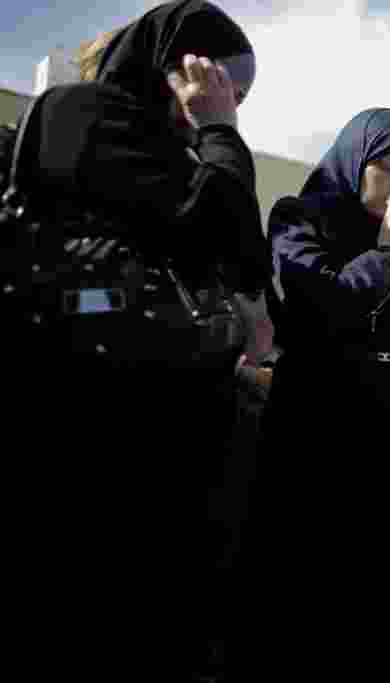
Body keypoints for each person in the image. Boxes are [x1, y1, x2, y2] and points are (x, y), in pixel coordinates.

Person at [0, 0, 268, 676]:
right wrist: (220, 131)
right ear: (178, 65)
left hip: (156, 440)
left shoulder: (176, 152)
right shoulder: (87, 116)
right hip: (91, 426)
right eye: (219, 79)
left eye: (236, 93)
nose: (225, 99)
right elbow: (228, 231)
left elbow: (239, 265)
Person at [260, 107, 390, 678]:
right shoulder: (299, 217)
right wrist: (386, 256)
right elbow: (316, 307)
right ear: (355, 162)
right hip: (315, 440)